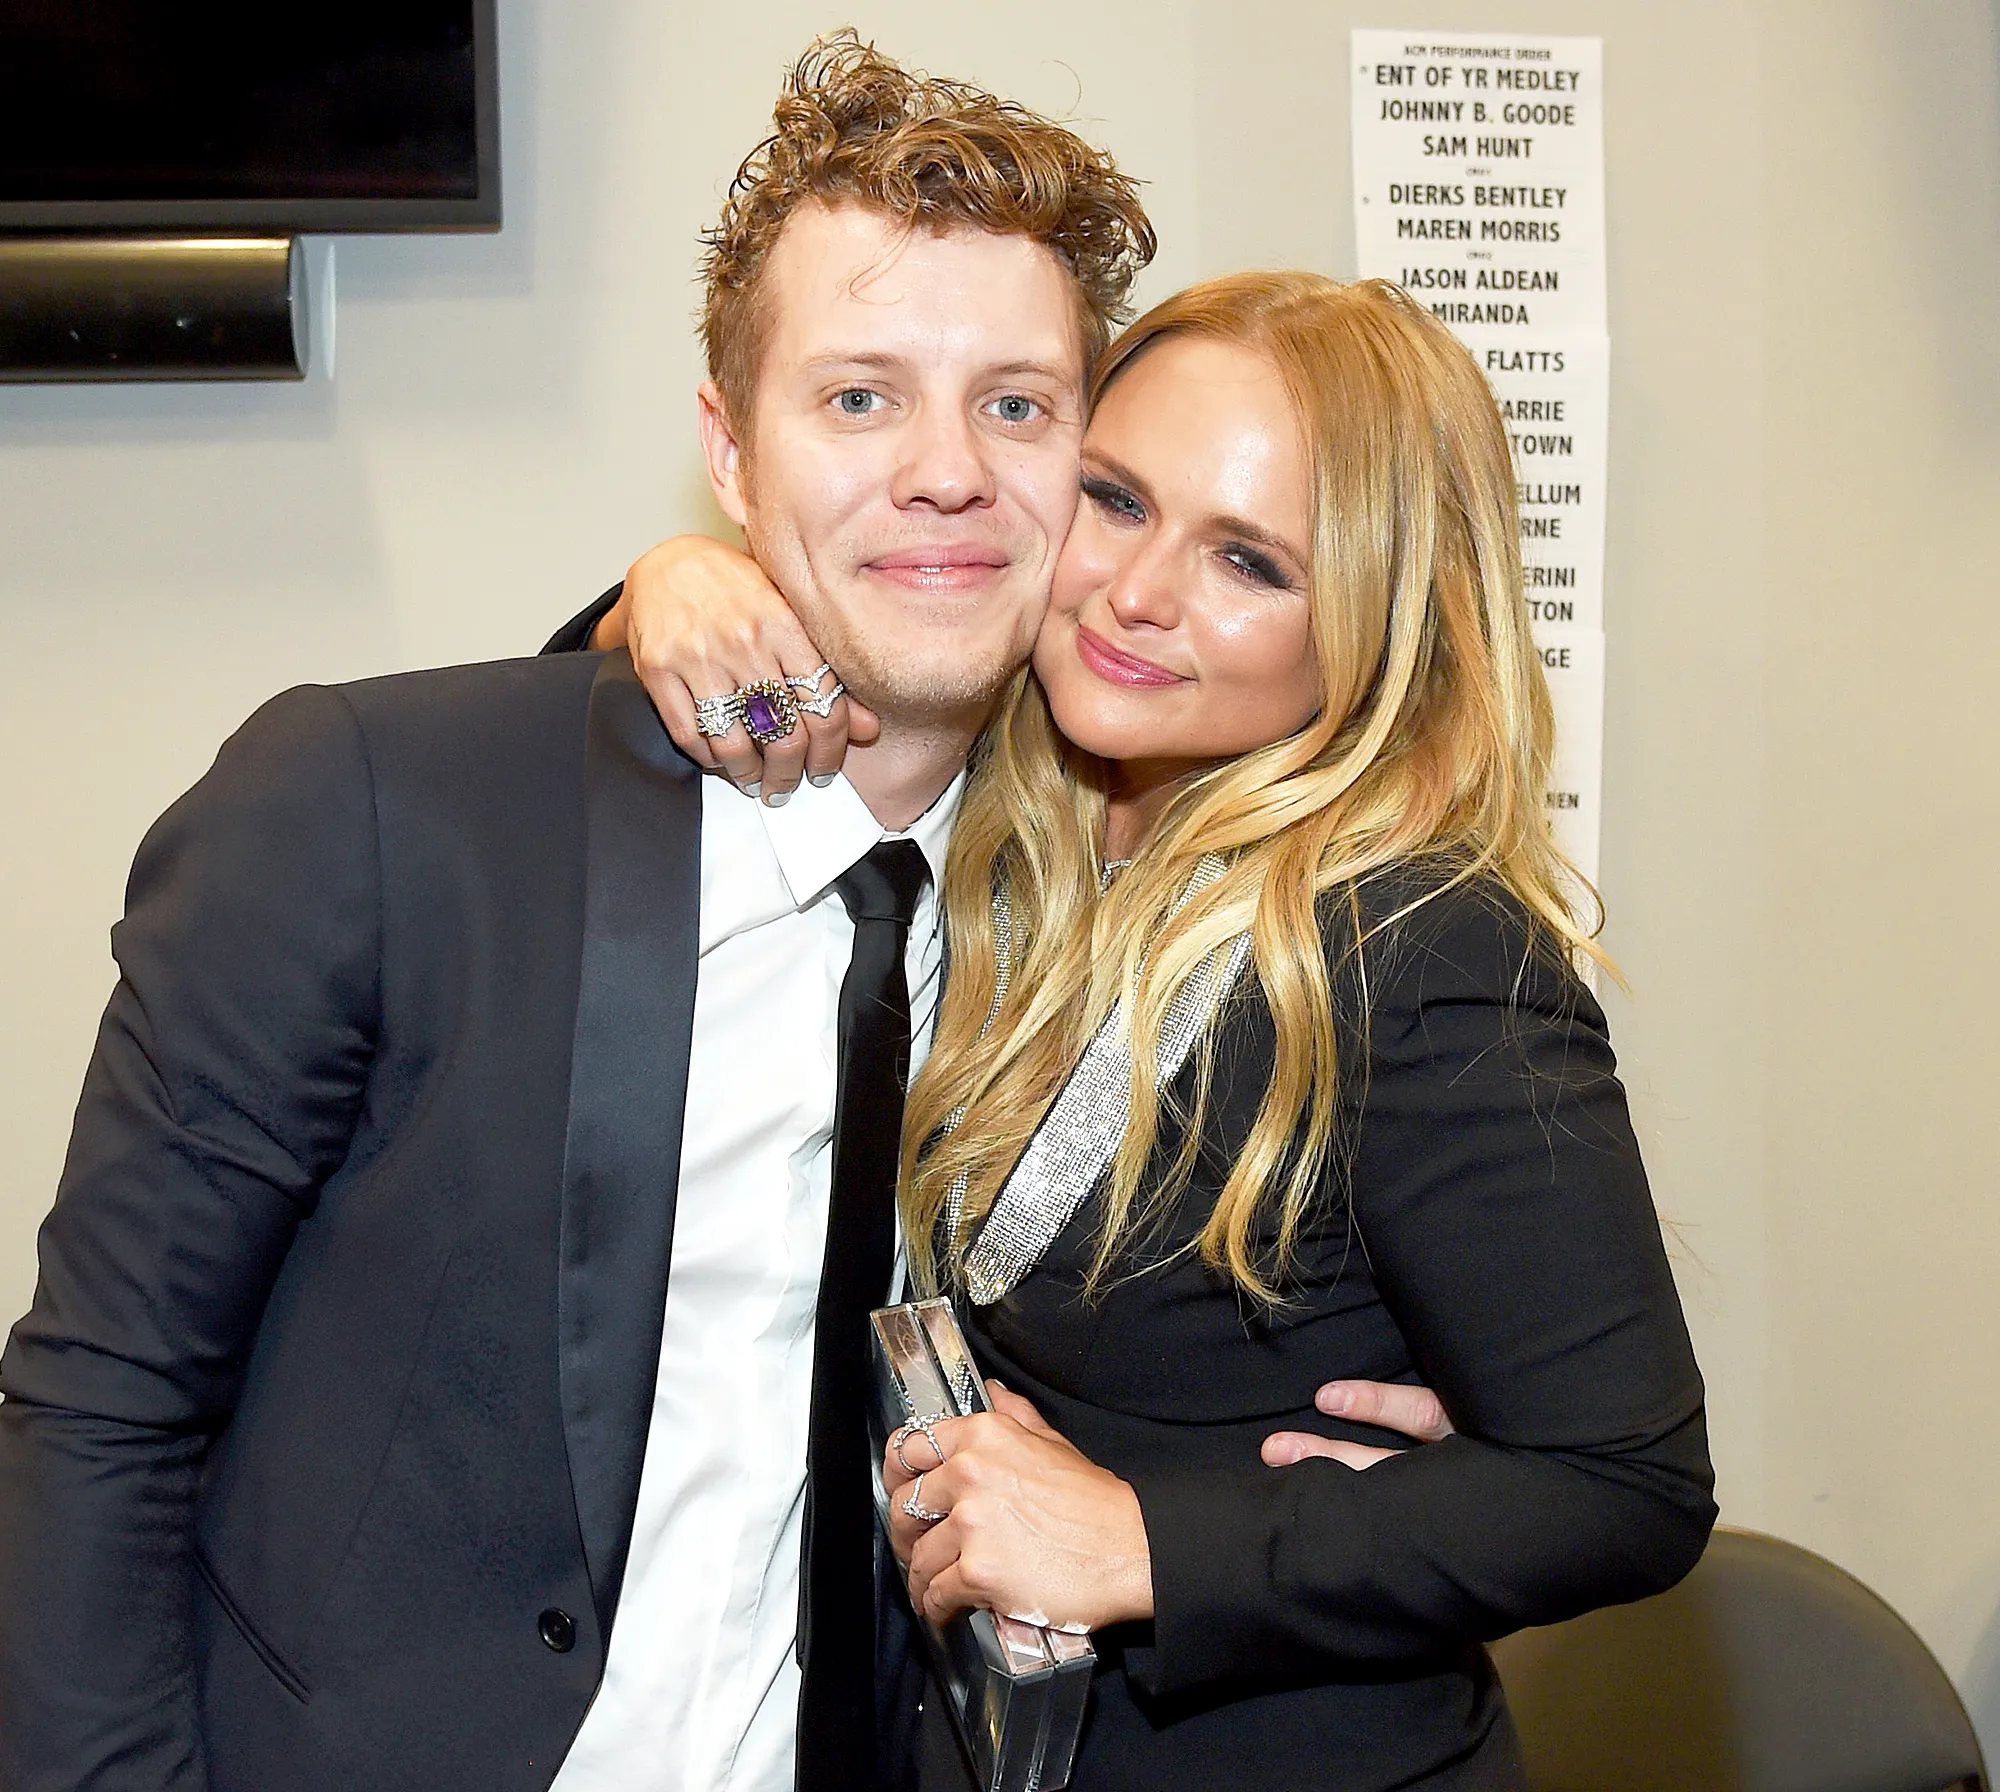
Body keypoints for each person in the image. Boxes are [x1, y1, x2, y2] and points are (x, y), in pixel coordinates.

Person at [0, 37, 1149, 1792]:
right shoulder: (377, 812)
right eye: (858, 398)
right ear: (729, 453)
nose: (947, 471)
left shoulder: (1095, 912)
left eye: (1017, 403)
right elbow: (97, 1412)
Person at [569, 273, 1718, 1790]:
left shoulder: (1416, 946)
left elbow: (1630, 1484)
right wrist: (665, 589)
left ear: (1375, 625)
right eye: (1115, 500)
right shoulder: (1019, 820)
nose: (1138, 594)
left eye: (1248, 560)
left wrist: (1148, 1542)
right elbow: (717, 742)